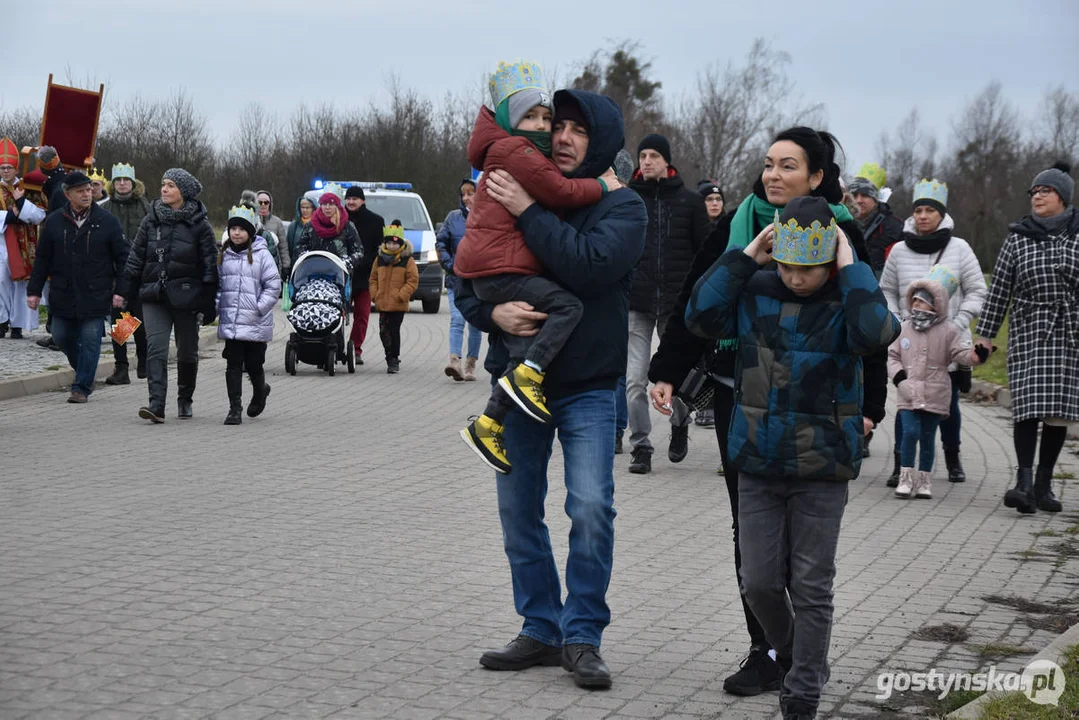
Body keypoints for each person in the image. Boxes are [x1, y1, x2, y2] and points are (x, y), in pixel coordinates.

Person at [648, 125, 887, 700]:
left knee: (804, 564)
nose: (773, 175)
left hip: (822, 412)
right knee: (752, 544)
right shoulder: (740, 228)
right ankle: (769, 648)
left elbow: (870, 329)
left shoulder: (840, 234)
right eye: (768, 165)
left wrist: (870, 408)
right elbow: (692, 302)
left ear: (817, 176)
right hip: (745, 397)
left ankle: (800, 660)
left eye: (788, 166)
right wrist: (667, 368)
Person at [454, 88, 647, 690]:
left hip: (588, 387)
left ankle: (582, 635)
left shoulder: (623, 206)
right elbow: (470, 275)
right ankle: (540, 627)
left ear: (605, 142)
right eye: (556, 126)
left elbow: (588, 266)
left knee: (590, 507)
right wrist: (494, 318)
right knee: (518, 513)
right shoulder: (517, 180)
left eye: (579, 132)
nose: (562, 138)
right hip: (518, 385)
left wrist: (529, 212)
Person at [686, 196, 900, 720]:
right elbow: (700, 315)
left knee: (810, 583)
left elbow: (877, 334)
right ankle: (798, 653)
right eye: (786, 263)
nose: (795, 277)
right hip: (757, 457)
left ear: (828, 259)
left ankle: (802, 689)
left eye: (807, 268)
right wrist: (746, 257)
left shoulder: (849, 303)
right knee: (757, 582)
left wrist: (851, 269)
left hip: (823, 466)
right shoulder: (756, 291)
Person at [453, 60, 616, 474]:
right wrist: (602, 186)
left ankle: (488, 422)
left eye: (548, 118)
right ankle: (532, 372)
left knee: (521, 354)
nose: (544, 127)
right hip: (501, 275)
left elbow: (590, 264)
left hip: (496, 277)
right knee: (567, 308)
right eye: (532, 117)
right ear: (509, 119)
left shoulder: (509, 152)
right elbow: (558, 190)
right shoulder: (516, 150)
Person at [977, 162, 1078, 515]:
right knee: (1028, 407)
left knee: (1057, 413)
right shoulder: (1018, 237)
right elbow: (999, 289)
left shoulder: (1077, 236)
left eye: (1045, 191)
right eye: (1034, 191)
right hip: (1029, 330)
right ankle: (1022, 483)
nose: (1037, 196)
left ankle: (1044, 485)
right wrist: (986, 336)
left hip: (1069, 332)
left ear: (1062, 198)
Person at [880, 179, 986, 486]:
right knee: (906, 402)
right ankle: (902, 465)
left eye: (929, 210)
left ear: (941, 213)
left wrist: (959, 320)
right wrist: (898, 320)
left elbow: (977, 290)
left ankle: (952, 457)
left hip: (947, 341)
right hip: (910, 340)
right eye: (918, 210)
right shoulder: (899, 251)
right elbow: (886, 289)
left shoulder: (959, 248)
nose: (923, 216)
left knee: (947, 404)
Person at [625, 133, 709, 474]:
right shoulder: (627, 200)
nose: (646, 161)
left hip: (677, 306)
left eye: (653, 155)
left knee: (673, 377)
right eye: (642, 155)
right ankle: (640, 445)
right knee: (634, 381)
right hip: (637, 302)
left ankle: (679, 423)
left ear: (666, 161)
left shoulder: (690, 203)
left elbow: (705, 255)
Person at [124, 168, 218, 423]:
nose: (164, 189)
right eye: (163, 184)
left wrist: (209, 301)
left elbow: (210, 266)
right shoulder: (150, 220)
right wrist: (125, 291)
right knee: (156, 348)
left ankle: (185, 398)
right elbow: (135, 258)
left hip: (187, 297)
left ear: (183, 192)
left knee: (187, 352)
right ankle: (156, 405)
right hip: (154, 294)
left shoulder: (200, 225)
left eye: (171, 186)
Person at [26, 171, 129, 403]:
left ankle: (82, 387)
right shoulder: (54, 222)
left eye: (89, 190)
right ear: (67, 194)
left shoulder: (107, 221)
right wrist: (33, 291)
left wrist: (121, 290)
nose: (87, 194)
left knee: (91, 338)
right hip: (63, 292)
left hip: (96, 292)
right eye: (81, 191)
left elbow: (123, 259)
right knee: (61, 336)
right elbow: (42, 259)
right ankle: (84, 368)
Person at [889, 266, 989, 498]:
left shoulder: (948, 331)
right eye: (914, 301)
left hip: (936, 393)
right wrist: (899, 377)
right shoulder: (904, 328)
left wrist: (975, 355)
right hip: (908, 391)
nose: (917, 306)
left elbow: (959, 354)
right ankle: (905, 477)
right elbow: (892, 355)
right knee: (909, 432)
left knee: (927, 438)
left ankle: (924, 480)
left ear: (936, 304)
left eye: (923, 302)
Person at [216, 205, 281, 425]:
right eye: (233, 228)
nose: (236, 233)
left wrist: (259, 307)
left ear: (250, 232)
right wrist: (217, 306)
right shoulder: (223, 255)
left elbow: (273, 285)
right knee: (233, 364)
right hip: (232, 323)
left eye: (241, 229)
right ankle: (234, 408)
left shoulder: (262, 255)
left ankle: (260, 390)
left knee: (254, 363)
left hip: (255, 321)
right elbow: (218, 286)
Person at [99, 162, 152, 384]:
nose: (122, 184)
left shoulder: (145, 207)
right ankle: (121, 367)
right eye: (118, 180)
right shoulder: (104, 208)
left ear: (133, 183)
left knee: (139, 318)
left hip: (141, 271)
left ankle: (144, 358)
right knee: (119, 319)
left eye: (126, 180)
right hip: (115, 273)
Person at [436, 178, 484, 381]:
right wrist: (449, 265)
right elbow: (441, 242)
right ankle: (454, 360)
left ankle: (471, 363)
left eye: (470, 193)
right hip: (457, 279)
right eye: (463, 194)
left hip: (480, 282)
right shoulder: (452, 218)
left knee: (475, 323)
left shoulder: (489, 217)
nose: (466, 198)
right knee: (457, 319)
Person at [0, 136, 47, 339]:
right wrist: (10, 216)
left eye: (9, 167)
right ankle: (1, 322)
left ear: (17, 169)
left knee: (21, 283)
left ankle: (18, 325)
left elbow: (41, 213)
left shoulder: (29, 188)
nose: (6, 171)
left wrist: (22, 207)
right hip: (2, 242)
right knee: (1, 280)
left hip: (24, 242)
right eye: (2, 168)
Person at [694, 179, 726, 429]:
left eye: (718, 199)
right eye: (709, 199)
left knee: (718, 354)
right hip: (700, 295)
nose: (714, 204)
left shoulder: (730, 227)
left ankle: (714, 405)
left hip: (723, 297)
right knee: (701, 355)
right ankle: (702, 405)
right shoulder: (696, 227)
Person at [369, 223, 418, 374]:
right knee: (383, 331)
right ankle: (388, 355)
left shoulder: (407, 260)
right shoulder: (379, 259)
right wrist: (375, 294)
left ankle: (393, 359)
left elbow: (413, 280)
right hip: (383, 302)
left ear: (400, 244)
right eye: (389, 243)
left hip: (398, 304)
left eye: (395, 243)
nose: (391, 246)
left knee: (393, 330)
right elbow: (373, 278)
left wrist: (402, 295)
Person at [344, 186, 385, 364]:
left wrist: (362, 262)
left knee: (362, 315)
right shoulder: (339, 219)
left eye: (355, 198)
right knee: (337, 314)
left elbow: (379, 249)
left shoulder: (375, 221)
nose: (351, 202)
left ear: (363, 201)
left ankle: (355, 349)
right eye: (348, 198)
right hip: (342, 275)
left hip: (365, 277)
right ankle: (333, 346)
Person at [849, 162, 902, 277]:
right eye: (855, 195)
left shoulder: (894, 227)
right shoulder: (844, 223)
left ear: (875, 198)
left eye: (865, 195)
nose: (858, 200)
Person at [295, 192, 363, 269]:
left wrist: (346, 262)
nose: (327, 207)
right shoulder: (311, 225)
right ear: (320, 206)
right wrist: (306, 257)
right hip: (313, 271)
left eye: (331, 204)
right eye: (324, 204)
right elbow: (299, 246)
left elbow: (358, 252)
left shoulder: (347, 226)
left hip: (339, 274)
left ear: (337, 206)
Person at [256, 190, 290, 277]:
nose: (263, 205)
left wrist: (286, 266)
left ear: (270, 204)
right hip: (254, 265)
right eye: (260, 202)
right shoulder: (251, 220)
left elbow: (283, 247)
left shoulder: (277, 222)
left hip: (273, 266)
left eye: (266, 202)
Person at [286, 196, 315, 269]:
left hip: (313, 263)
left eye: (307, 208)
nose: (305, 210)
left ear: (313, 209)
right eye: (302, 207)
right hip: (297, 264)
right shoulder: (294, 225)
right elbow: (289, 246)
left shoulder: (317, 225)